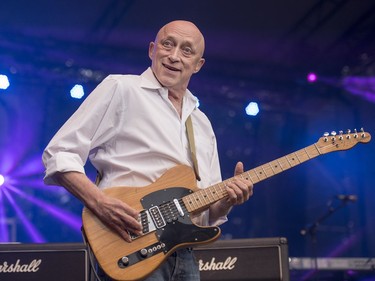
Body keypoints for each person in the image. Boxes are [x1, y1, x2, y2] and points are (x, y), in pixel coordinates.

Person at [42, 20, 253, 281]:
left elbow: (207, 213)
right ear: (152, 49)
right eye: (168, 44)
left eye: (187, 50)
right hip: (129, 243)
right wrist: (99, 202)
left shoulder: (201, 122)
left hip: (183, 253)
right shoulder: (122, 89)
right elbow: (59, 153)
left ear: (198, 65)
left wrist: (227, 201)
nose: (174, 56)